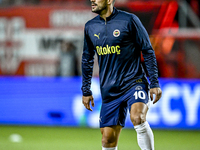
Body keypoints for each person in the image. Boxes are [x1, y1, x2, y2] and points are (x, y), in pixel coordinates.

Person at [81, 0, 162, 149]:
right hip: (110, 90)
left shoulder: (129, 20)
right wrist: (86, 90)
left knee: (138, 118)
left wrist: (154, 83)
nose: (92, 0)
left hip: (134, 82)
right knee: (107, 140)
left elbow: (148, 50)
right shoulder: (90, 27)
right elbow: (87, 60)